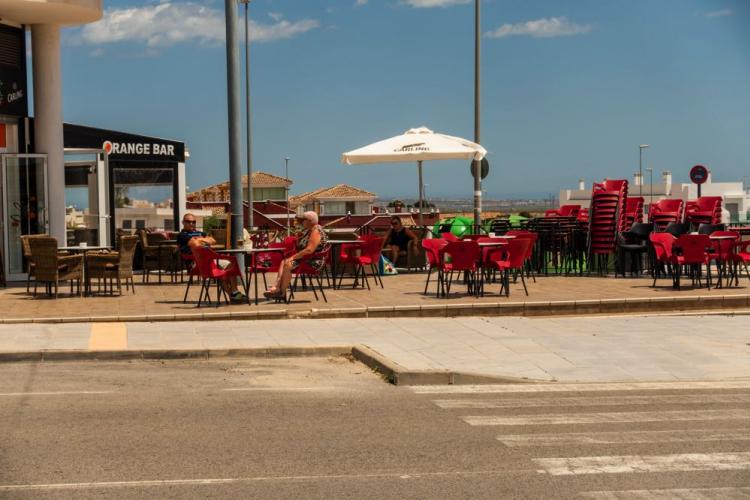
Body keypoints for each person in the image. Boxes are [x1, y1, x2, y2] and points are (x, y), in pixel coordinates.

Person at [177, 214, 246, 303]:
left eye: (193, 222)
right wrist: (203, 240)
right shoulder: (181, 235)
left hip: (209, 260)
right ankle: (233, 294)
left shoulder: (200, 233)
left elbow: (213, 240)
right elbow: (195, 244)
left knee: (229, 264)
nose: (191, 224)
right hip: (196, 263)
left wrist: (198, 239)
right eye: (188, 222)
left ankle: (234, 292)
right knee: (222, 268)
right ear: (183, 222)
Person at [264, 211, 328, 299]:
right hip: (306, 259)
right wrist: (298, 238)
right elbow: (301, 246)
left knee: (288, 264)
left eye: (303, 220)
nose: (301, 222)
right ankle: (277, 287)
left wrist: (293, 257)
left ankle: (281, 293)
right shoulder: (309, 230)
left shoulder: (316, 231)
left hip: (313, 261)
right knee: (284, 261)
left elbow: (309, 250)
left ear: (310, 221)